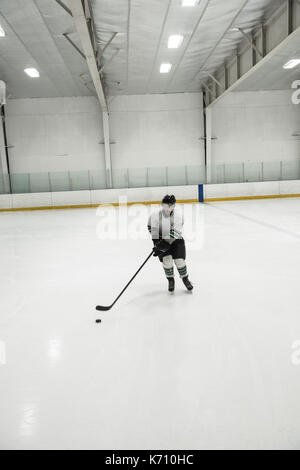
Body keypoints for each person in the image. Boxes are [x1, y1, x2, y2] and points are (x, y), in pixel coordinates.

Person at [147, 194, 193, 293]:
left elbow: (176, 232)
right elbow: (151, 227)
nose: (168, 208)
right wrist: (156, 242)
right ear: (162, 205)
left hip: (176, 240)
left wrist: (164, 244)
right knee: (167, 260)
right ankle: (170, 280)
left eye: (170, 205)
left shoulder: (178, 216)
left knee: (179, 261)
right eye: (166, 205)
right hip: (161, 240)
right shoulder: (155, 216)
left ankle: (185, 278)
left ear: (174, 206)